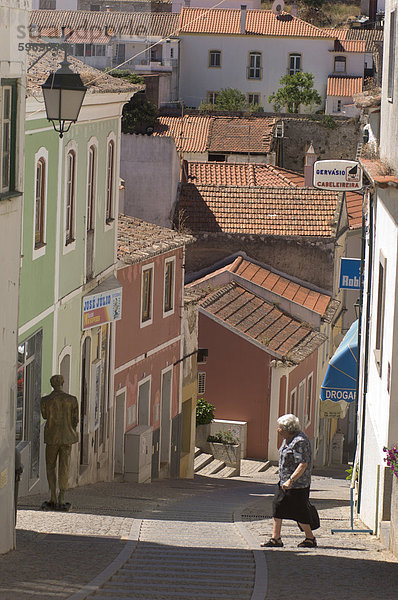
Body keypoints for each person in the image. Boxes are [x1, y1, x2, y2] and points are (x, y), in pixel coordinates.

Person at [262, 414, 317, 548]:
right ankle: (276, 539)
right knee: (277, 507)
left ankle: (310, 538)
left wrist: (290, 480)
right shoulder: (287, 439)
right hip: (284, 482)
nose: (277, 429)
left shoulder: (299, 441)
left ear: (287, 428)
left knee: (299, 512)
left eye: (279, 427)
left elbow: (303, 464)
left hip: (297, 485)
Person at [41, 374, 79, 509]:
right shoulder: (72, 400)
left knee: (50, 467)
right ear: (63, 383)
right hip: (67, 437)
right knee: (65, 467)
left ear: (52, 385)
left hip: (51, 437)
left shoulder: (45, 400)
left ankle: (52, 495)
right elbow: (75, 420)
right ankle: (62, 497)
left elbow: (45, 416)